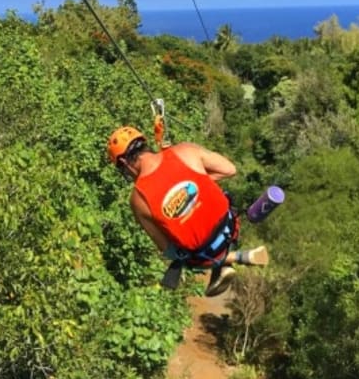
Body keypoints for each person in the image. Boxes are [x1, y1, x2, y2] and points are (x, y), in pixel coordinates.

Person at [107, 126, 269, 296]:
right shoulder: (184, 151)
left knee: (182, 253)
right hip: (230, 226)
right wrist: (199, 181)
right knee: (222, 199)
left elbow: (166, 248)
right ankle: (226, 262)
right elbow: (230, 169)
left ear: (124, 163)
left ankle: (233, 258)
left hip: (203, 255)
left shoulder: (137, 199)